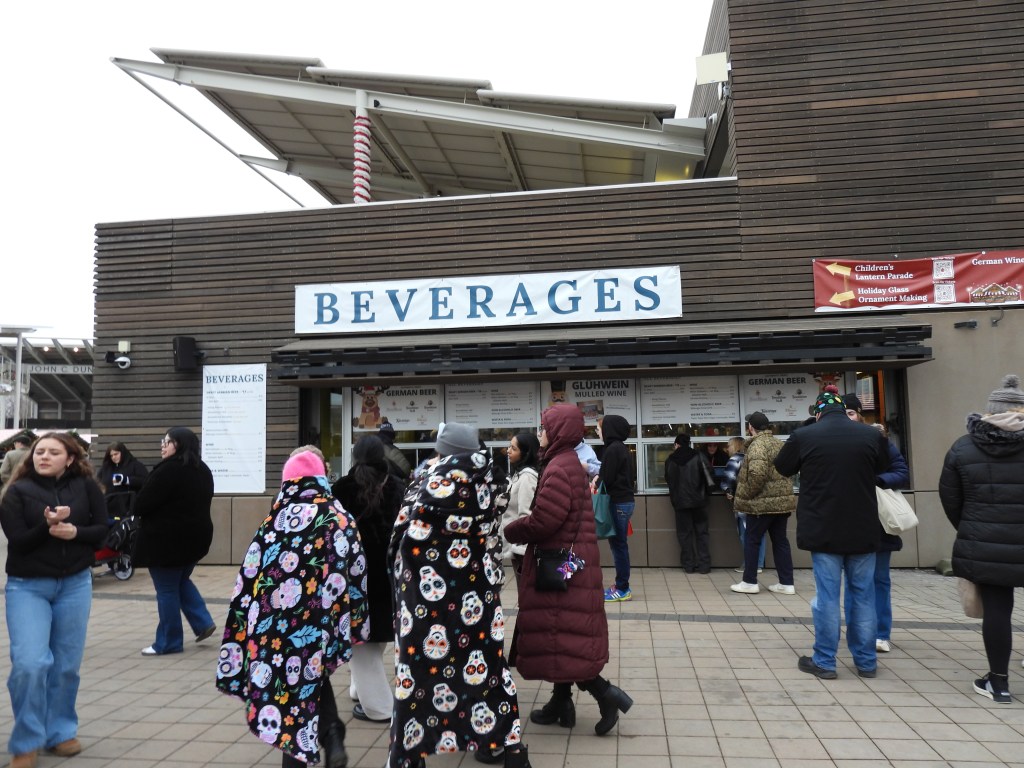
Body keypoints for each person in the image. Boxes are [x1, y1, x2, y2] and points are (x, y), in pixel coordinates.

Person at [388, 422, 530, 768]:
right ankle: (511, 750)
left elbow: (401, 538)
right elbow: (493, 535)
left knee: (419, 672)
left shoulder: (426, 482)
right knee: (488, 670)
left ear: (444, 449)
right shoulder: (491, 480)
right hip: (477, 595)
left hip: (425, 602)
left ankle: (411, 752)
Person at [217, 447, 368, 767]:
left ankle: (310, 746)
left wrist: (243, 623)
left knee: (289, 688)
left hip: (276, 626)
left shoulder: (274, 520)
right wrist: (356, 622)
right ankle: (331, 733)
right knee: (312, 674)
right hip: (323, 621)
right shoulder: (339, 516)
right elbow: (357, 570)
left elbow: (249, 575)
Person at [505, 404, 633, 737]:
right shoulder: (566, 462)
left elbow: (545, 520)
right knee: (559, 637)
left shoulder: (559, 467)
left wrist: (512, 530)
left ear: (558, 431)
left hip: (560, 567)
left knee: (564, 636)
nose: (540, 434)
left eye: (544, 428)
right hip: (569, 566)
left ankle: (607, 695)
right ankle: (560, 703)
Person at [0, 432, 108, 768]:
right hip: (27, 587)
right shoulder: (16, 492)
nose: (43, 456)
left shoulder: (87, 487)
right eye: (39, 451)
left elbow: (102, 530)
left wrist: (75, 531)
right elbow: (18, 541)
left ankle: (60, 732)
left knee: (65, 666)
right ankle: (26, 741)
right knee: (30, 664)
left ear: (70, 458)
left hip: (75, 584)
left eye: (53, 452)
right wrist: (47, 526)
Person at [774, 386, 890, 679]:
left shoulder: (805, 436)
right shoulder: (870, 435)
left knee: (827, 597)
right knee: (863, 595)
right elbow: (884, 466)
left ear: (818, 413)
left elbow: (782, 467)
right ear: (843, 409)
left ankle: (825, 661)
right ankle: (866, 662)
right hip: (863, 528)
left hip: (823, 528)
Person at [939, 374, 1024, 704]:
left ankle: (999, 684)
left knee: (998, 610)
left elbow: (951, 499)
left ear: (990, 410)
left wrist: (972, 527)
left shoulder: (964, 447)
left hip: (986, 542)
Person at [331, 435, 404, 724]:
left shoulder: (341, 489)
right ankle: (359, 688)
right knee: (378, 633)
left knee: (362, 643)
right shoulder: (397, 486)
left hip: (353, 577)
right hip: (389, 575)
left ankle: (378, 707)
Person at [132, 427, 217, 656]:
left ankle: (169, 642)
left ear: (179, 444)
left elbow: (141, 504)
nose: (163, 445)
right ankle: (202, 622)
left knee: (167, 589)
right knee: (180, 580)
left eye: (167, 441)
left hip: (165, 542)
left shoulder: (168, 470)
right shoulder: (202, 469)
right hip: (196, 539)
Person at [842, 395, 910, 654]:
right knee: (853, 581)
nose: (848, 418)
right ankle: (857, 631)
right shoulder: (836, 442)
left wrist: (877, 480)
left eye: (851, 413)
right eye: (843, 413)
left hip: (878, 520)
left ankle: (881, 633)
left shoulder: (879, 441)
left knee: (879, 579)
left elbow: (901, 472)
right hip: (847, 521)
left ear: (860, 414)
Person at [729, 413, 797, 595]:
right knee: (781, 541)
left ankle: (749, 582)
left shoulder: (757, 445)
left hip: (761, 505)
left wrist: (746, 494)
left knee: (752, 540)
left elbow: (757, 475)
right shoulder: (778, 443)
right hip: (781, 503)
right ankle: (786, 583)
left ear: (751, 427)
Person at [596, 415, 636, 601]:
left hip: (619, 502)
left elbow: (608, 478)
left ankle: (622, 588)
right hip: (624, 502)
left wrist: (597, 481)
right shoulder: (620, 448)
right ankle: (621, 585)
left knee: (619, 546)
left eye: (599, 428)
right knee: (619, 545)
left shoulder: (613, 449)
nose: (598, 432)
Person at [664, 433, 712, 574]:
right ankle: (704, 566)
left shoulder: (670, 460)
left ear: (676, 444)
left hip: (680, 503)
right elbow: (709, 475)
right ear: (689, 443)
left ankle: (689, 565)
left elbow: (668, 479)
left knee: (684, 534)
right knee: (702, 533)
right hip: (699, 502)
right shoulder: (699, 456)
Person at [499, 432, 541, 585]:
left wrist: (520, 549)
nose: (508, 451)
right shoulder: (519, 474)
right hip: (517, 546)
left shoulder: (527, 477)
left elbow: (526, 514)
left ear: (526, 453)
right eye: (509, 446)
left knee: (526, 590)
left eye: (514, 448)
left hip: (522, 549)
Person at [721, 436, 765, 574]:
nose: (727, 448)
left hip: (743, 502)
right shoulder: (752, 458)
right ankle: (759, 564)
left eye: (729, 445)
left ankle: (749, 565)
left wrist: (727, 490)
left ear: (735, 446)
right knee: (759, 534)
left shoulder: (735, 459)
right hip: (759, 501)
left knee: (745, 534)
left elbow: (728, 479)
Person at [96, 442, 148, 521]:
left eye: (116, 454)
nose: (113, 457)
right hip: (109, 510)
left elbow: (145, 481)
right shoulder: (105, 468)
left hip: (129, 509)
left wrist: (127, 480)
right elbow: (97, 483)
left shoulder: (135, 465)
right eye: (111, 455)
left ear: (122, 453)